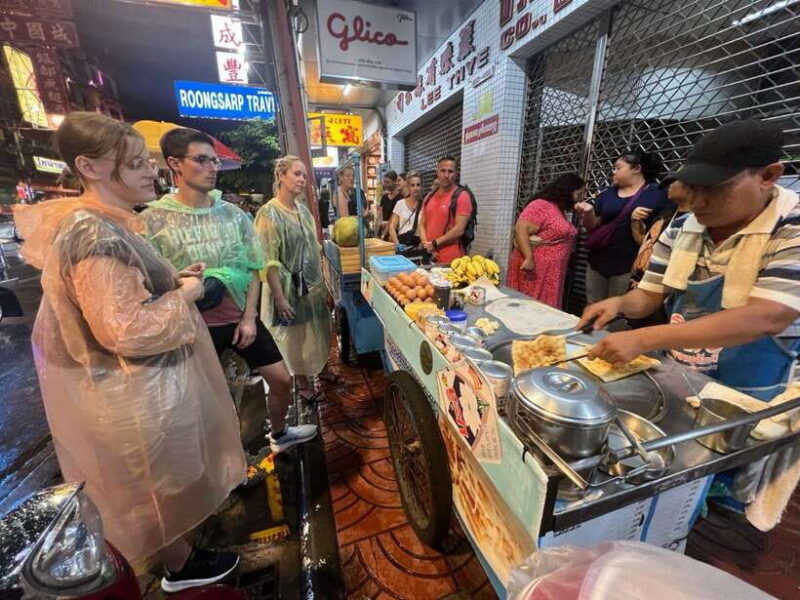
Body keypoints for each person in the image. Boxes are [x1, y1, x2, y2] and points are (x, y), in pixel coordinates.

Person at [13, 112, 246, 588]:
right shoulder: (93, 233)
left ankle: (180, 552)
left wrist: (173, 281)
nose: (151, 172)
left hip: (143, 390)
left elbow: (127, 295)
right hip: (132, 395)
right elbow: (128, 330)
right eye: (136, 163)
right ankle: (177, 568)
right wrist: (187, 294)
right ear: (90, 166)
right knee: (151, 489)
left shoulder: (106, 224)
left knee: (165, 482)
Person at [579, 120, 800, 527]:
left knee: (728, 483)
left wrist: (645, 338)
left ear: (768, 176)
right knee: (676, 475)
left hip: (753, 382)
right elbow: (649, 296)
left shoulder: (792, 227)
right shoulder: (684, 226)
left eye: (714, 188)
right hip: (685, 375)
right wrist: (617, 303)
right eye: (694, 188)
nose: (697, 201)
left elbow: (770, 315)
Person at [142, 129, 315, 456]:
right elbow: (150, 283)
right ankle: (221, 465)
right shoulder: (153, 220)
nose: (212, 167)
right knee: (205, 402)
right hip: (192, 326)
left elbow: (254, 267)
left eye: (214, 160)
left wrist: (249, 318)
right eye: (202, 160)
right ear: (174, 164)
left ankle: (279, 433)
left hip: (239, 315)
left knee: (281, 379)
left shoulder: (233, 215)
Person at [255, 156, 332, 399]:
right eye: (297, 174)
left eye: (305, 175)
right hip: (287, 289)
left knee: (316, 330)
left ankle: (320, 368)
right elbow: (268, 262)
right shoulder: (268, 214)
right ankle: (301, 382)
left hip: (310, 286)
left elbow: (314, 249)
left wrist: (324, 284)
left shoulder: (303, 210)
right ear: (281, 176)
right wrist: (280, 298)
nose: (302, 180)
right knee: (295, 336)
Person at [575, 149, 670, 303]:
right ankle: (592, 328)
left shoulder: (658, 194)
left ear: (636, 169)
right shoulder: (607, 194)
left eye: (618, 168)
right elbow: (592, 227)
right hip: (597, 261)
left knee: (619, 310)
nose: (613, 172)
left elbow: (660, 232)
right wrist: (589, 213)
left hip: (629, 265)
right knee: (593, 304)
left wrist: (636, 222)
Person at [507, 173, 585, 309]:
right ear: (567, 191)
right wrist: (529, 258)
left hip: (551, 272)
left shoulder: (558, 210)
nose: (579, 199)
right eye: (578, 194)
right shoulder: (541, 205)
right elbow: (520, 229)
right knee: (530, 309)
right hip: (536, 271)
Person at [419, 156, 474, 264]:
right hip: (429, 256)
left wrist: (434, 244)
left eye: (450, 171)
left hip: (451, 260)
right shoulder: (429, 197)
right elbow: (422, 224)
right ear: (437, 172)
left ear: (456, 174)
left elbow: (459, 230)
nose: (446, 175)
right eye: (443, 170)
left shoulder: (462, 196)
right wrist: (426, 244)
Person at [388, 171, 423, 250]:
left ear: (421, 187)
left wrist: (422, 245)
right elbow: (392, 227)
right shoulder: (400, 204)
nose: (415, 188)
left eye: (418, 185)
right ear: (408, 187)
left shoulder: (425, 205)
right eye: (412, 185)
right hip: (402, 243)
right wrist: (397, 244)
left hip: (419, 245)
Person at [379, 170, 400, 239]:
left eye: (388, 182)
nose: (385, 184)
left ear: (395, 182)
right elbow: (380, 215)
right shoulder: (384, 197)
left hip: (395, 231)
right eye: (384, 182)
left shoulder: (400, 198)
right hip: (383, 230)